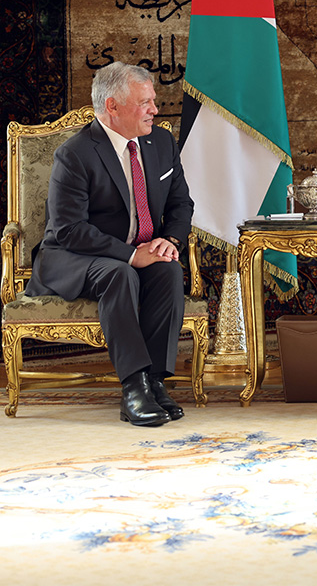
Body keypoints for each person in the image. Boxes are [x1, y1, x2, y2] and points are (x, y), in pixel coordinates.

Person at [27, 63, 194, 427]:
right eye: (144, 102)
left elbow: (181, 203)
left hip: (136, 250)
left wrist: (169, 241)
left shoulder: (161, 142)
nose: (154, 110)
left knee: (167, 270)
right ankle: (133, 387)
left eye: (153, 101)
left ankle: (154, 381)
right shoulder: (75, 154)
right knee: (120, 274)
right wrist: (132, 255)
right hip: (74, 255)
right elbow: (69, 229)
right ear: (112, 106)